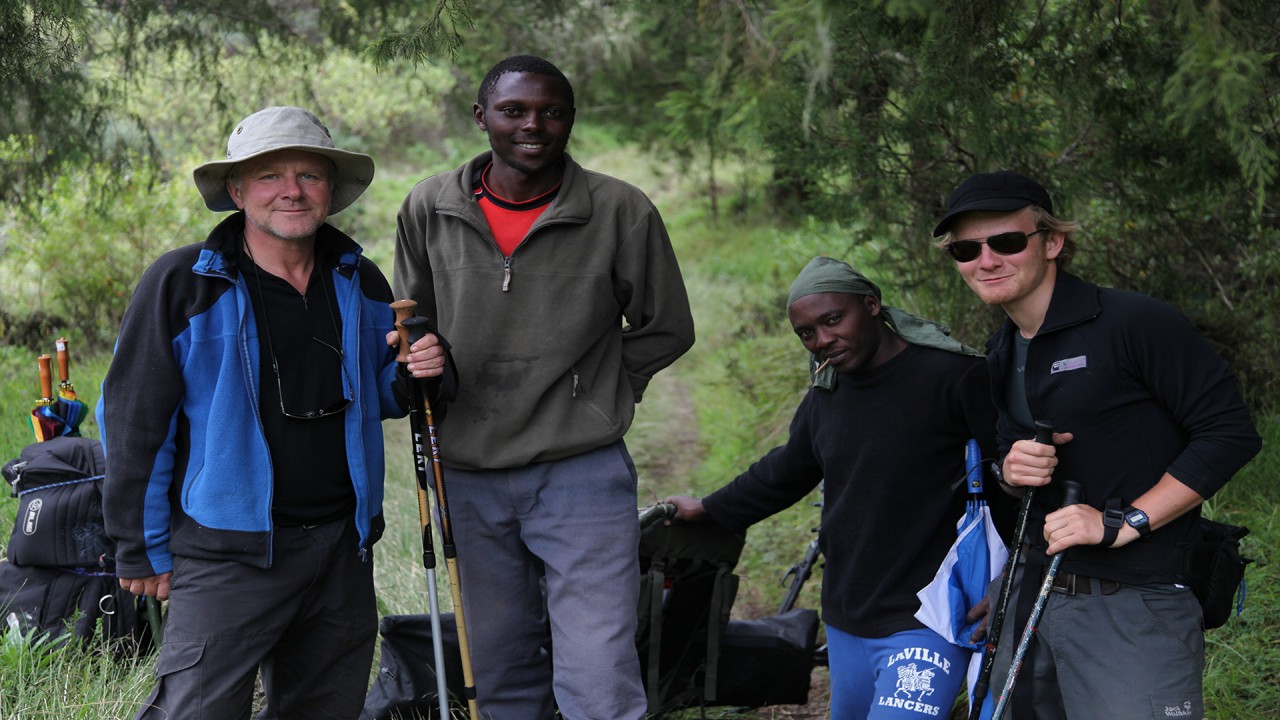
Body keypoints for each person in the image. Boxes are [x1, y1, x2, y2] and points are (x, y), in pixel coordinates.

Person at [394, 55, 695, 719]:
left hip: (581, 471)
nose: (533, 125)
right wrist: (422, 359)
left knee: (598, 669)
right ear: (482, 117)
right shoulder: (429, 206)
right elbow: (413, 324)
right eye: (514, 111)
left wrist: (596, 389)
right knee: (496, 663)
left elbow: (667, 327)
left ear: (571, 120)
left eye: (552, 112)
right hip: (466, 470)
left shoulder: (619, 210)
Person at [98, 106, 406, 720]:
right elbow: (134, 421)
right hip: (226, 554)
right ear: (237, 191)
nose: (292, 191)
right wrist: (139, 545)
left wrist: (422, 370)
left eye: (309, 175)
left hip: (341, 548)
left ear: (330, 191)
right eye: (269, 176)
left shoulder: (359, 278)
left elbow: (386, 395)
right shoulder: (185, 283)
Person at [933, 170, 1263, 718]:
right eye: (967, 249)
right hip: (1031, 597)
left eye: (1007, 241)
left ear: (1052, 242)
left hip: (1134, 604)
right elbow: (1014, 468)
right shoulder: (1002, 349)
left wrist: (1125, 522)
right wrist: (1011, 472)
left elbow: (1229, 433)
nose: (986, 260)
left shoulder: (1133, 322)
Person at [666, 256, 1009, 720]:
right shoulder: (828, 390)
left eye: (832, 320)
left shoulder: (955, 375)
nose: (822, 340)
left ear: (871, 305)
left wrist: (1009, 581)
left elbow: (1014, 482)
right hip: (848, 615)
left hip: (931, 617)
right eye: (806, 333)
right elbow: (788, 469)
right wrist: (709, 508)